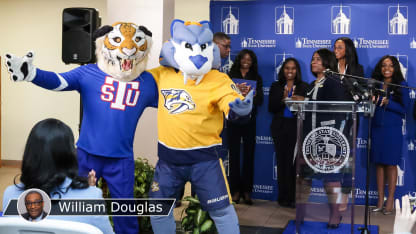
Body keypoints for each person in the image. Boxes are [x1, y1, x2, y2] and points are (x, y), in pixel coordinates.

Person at [4, 23, 157, 234]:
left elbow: (173, 105)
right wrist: (32, 74)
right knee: (73, 203)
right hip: (86, 154)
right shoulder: (90, 72)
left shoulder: (147, 81)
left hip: (121, 159)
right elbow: (60, 81)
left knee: (126, 213)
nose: (128, 50)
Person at [2, 118, 114, 233]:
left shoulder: (10, 195)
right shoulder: (91, 198)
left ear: (30, 153)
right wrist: (89, 191)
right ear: (69, 155)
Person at [297, 48, 349, 229]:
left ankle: (336, 215)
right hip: (309, 138)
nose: (313, 62)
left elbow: (339, 110)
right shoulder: (312, 84)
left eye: (318, 59)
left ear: (327, 63)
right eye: (312, 59)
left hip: (327, 139)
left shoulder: (334, 82)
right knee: (304, 178)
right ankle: (300, 213)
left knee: (331, 180)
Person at [370, 55, 410, 215]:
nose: (386, 68)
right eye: (383, 65)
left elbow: (404, 109)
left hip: (392, 130)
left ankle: (390, 201)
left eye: (390, 65)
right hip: (377, 128)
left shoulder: (401, 85)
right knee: (379, 164)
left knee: (391, 164)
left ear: (395, 68)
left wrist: (389, 102)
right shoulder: (376, 84)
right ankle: (380, 201)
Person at [268, 58, 308, 208]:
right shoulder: (276, 86)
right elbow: (271, 108)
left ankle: (293, 197)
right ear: (282, 70)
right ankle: (283, 196)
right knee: (282, 162)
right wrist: (283, 99)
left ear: (297, 70)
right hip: (279, 128)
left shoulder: (304, 86)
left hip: (296, 128)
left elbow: (307, 107)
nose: (289, 71)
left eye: (293, 68)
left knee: (294, 164)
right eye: (286, 68)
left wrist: (298, 100)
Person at [227, 49, 264, 205]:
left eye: (249, 59)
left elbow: (261, 100)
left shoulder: (256, 77)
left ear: (252, 61)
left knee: (249, 156)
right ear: (239, 60)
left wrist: (253, 96)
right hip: (233, 120)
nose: (246, 61)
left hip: (249, 121)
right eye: (244, 58)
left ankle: (247, 192)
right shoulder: (230, 76)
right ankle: (235, 191)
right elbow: (225, 96)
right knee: (234, 156)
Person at [333, 37, 365, 211]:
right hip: (331, 118)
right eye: (335, 47)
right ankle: (335, 192)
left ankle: (345, 195)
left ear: (348, 50)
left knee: (347, 157)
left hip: (350, 118)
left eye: (339, 47)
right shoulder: (329, 69)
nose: (335, 50)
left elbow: (359, 93)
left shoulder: (357, 69)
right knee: (334, 156)